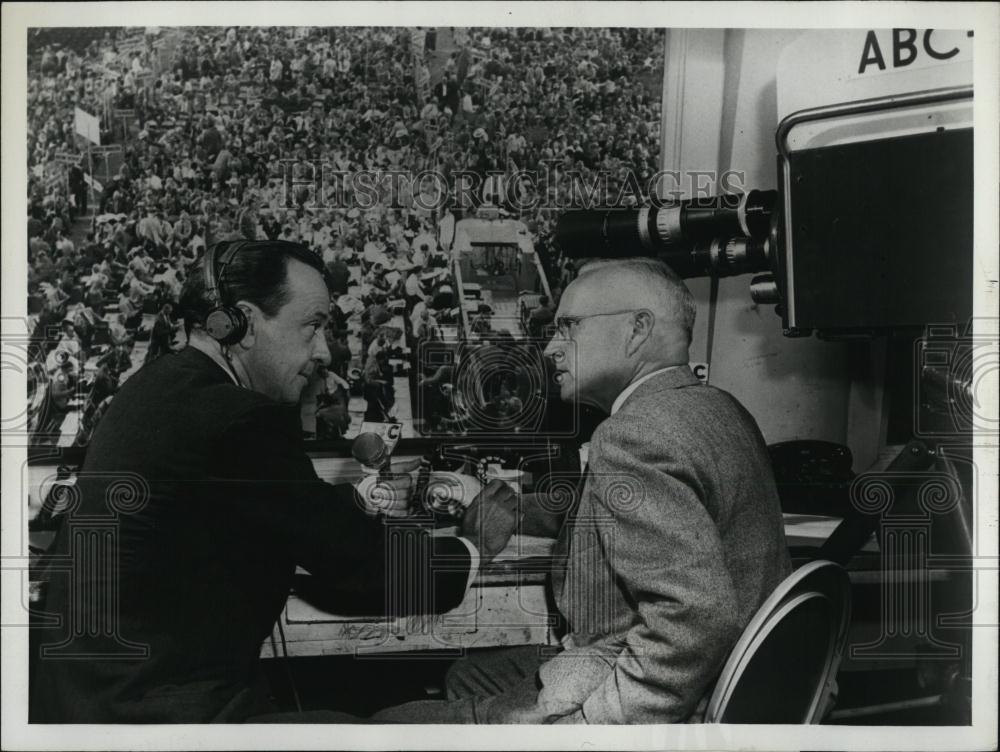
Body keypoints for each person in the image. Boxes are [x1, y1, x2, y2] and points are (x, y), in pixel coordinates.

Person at [31, 239, 519, 723]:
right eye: (311, 327)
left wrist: (355, 503)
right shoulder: (239, 418)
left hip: (97, 701)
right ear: (242, 324)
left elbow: (266, 507)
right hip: (166, 713)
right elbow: (363, 568)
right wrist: (472, 547)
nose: (324, 352)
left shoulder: (160, 385)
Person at [376, 257, 790, 724]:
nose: (552, 347)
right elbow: (621, 515)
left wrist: (590, 726)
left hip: (666, 693)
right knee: (470, 676)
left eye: (569, 326)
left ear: (637, 330)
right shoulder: (721, 408)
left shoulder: (634, 432)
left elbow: (695, 619)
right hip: (739, 682)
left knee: (391, 725)